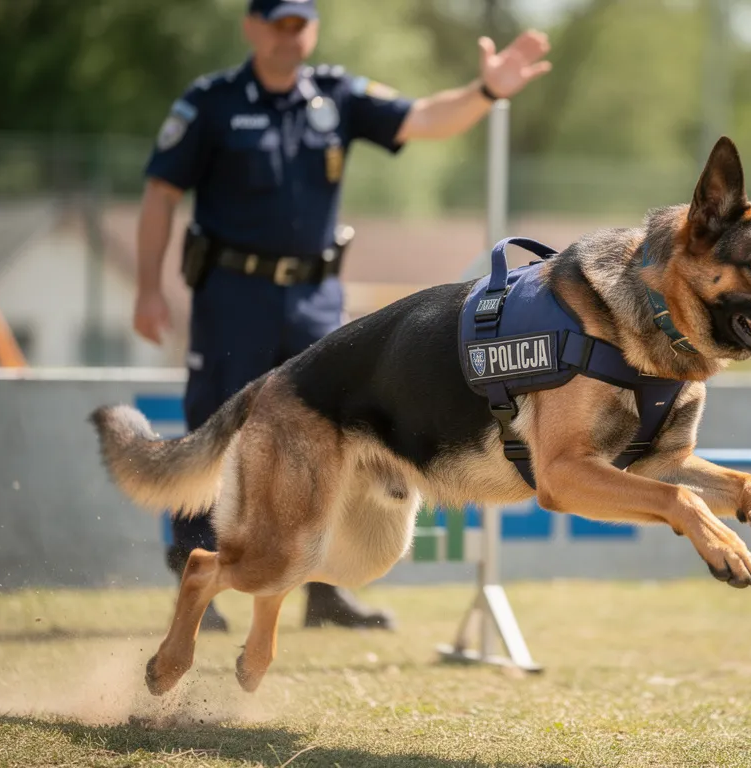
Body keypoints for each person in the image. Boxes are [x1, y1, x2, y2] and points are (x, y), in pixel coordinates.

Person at [132, 0, 552, 632]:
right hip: (233, 295)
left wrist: (487, 90)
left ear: (313, 28)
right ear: (253, 26)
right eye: (277, 24)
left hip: (316, 298)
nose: (289, 37)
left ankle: (325, 587)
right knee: (217, 425)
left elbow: (423, 118)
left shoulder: (334, 95)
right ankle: (199, 579)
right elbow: (161, 194)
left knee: (337, 432)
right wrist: (146, 287)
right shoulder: (211, 102)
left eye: (300, 24)